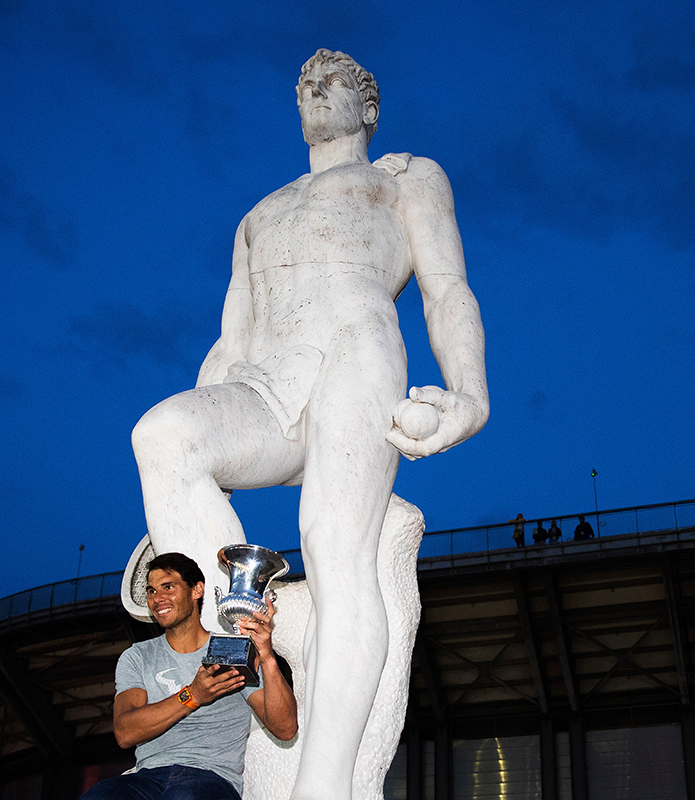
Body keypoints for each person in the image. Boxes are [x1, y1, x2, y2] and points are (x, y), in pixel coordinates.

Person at [131, 49, 488, 800]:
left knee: (337, 548)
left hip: (356, 355)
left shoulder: (404, 177)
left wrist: (469, 392)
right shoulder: (258, 213)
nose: (314, 91)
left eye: (335, 83)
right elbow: (229, 343)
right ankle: (252, 618)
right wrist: (180, 497)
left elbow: (447, 288)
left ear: (369, 107)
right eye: (304, 85)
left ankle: (322, 786)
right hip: (266, 381)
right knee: (161, 435)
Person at [83, 553, 297, 799]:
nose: (157, 598)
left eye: (168, 587)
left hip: (210, 778)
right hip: (146, 779)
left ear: (197, 590)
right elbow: (125, 732)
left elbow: (285, 729)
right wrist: (192, 695)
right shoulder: (138, 656)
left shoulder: (233, 650)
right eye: (151, 591)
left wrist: (267, 656)